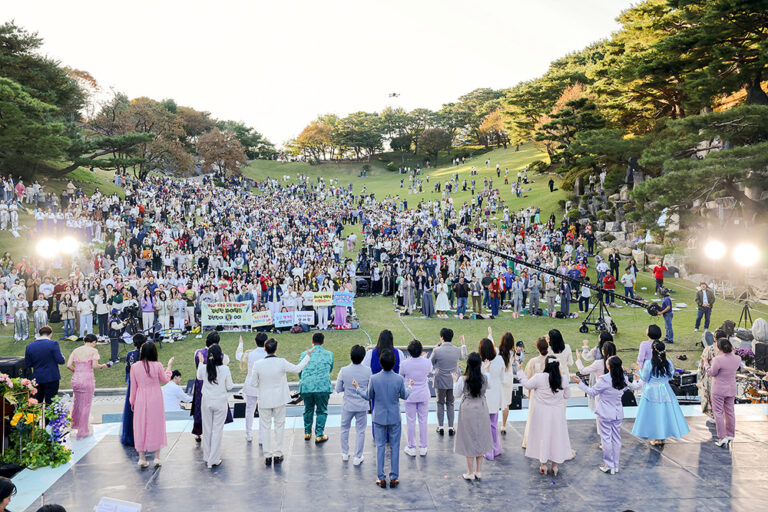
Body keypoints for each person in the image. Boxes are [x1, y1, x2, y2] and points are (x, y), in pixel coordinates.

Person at [351, 349, 412, 488]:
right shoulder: (398, 379)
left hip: (378, 417)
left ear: (380, 362)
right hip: (394, 417)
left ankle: (381, 477)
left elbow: (368, 396)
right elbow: (404, 395)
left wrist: (357, 388)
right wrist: (410, 387)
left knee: (380, 447)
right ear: (394, 363)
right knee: (395, 447)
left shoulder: (374, 378)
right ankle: (394, 477)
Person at [573, 356, 641, 474]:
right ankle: (615, 465)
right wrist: (635, 379)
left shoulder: (604, 379)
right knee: (616, 439)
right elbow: (630, 388)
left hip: (605, 413)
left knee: (606, 439)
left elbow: (592, 392)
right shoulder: (623, 378)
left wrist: (580, 383)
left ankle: (608, 465)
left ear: (608, 366)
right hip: (617, 413)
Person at [249, 338, 311, 465]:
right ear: (276, 349)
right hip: (279, 399)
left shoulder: (258, 364)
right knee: (279, 425)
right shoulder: (281, 362)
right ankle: (278, 453)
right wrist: (307, 356)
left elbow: (253, 383)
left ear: (265, 349)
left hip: (264, 400)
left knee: (265, 427)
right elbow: (298, 368)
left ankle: (267, 455)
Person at [515, 356, 572, 476]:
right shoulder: (563, 379)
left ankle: (543, 464)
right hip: (557, 414)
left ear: (546, 365)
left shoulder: (539, 378)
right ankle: (555, 466)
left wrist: (520, 371)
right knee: (556, 437)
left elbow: (527, 384)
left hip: (541, 413)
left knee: (543, 437)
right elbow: (567, 395)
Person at [631, 340, 690, 446]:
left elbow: (645, 377)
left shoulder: (649, 363)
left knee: (654, 415)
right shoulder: (668, 363)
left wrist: (639, 370)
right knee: (664, 414)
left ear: (652, 350)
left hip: (651, 392)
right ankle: (661, 436)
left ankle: (657, 437)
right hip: (665, 390)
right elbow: (670, 376)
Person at [130, 342, 174, 467]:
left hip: (140, 397)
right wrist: (169, 367)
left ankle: (142, 458)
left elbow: (133, 387)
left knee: (140, 425)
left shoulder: (134, 367)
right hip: (155, 397)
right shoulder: (158, 365)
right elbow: (165, 380)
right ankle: (157, 457)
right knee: (156, 424)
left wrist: (132, 401)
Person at [452, 352, 493, 480]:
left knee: (468, 439)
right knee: (480, 437)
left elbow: (456, 393)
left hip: (468, 409)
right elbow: (490, 385)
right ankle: (478, 471)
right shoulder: (485, 378)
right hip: (481, 408)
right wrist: (487, 370)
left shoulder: (463, 379)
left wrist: (454, 381)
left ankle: (470, 472)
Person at [191, 332, 233, 441]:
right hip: (216, 385)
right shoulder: (223, 356)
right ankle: (215, 435)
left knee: (200, 409)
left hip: (201, 384)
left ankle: (198, 433)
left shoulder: (198, 353)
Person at [197, 343, 234, 468]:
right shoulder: (225, 369)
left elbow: (199, 377)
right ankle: (213, 459)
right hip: (220, 401)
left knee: (207, 429)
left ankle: (207, 457)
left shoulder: (203, 368)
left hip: (207, 401)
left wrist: (201, 363)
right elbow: (229, 386)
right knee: (217, 430)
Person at [336, 345, 371, 465]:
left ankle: (345, 453)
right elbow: (370, 389)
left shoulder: (344, 370)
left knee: (344, 428)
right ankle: (358, 456)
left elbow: (338, 388)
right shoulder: (368, 371)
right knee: (360, 431)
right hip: (361, 405)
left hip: (348, 405)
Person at [702, 337, 741, 447]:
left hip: (718, 389)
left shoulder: (718, 359)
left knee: (718, 413)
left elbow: (712, 372)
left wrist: (706, 362)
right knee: (730, 412)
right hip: (731, 388)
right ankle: (730, 434)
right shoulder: (737, 358)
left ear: (719, 348)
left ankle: (722, 437)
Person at [67, 333, 107, 439]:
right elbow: (94, 366)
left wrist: (77, 371)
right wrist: (102, 366)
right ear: (93, 342)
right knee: (86, 404)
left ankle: (75, 425)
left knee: (77, 402)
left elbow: (68, 365)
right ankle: (83, 430)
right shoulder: (93, 351)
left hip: (76, 379)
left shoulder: (76, 350)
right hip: (87, 379)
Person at [576, 341, 616, 439]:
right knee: (612, 415)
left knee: (601, 417)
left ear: (603, 351)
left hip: (601, 393)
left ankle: (605, 439)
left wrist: (578, 359)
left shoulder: (599, 363)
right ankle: (611, 437)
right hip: (613, 392)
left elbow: (583, 370)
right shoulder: (617, 361)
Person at [430, 328, 467, 435]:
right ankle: (451, 427)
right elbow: (464, 356)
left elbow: (430, 363)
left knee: (440, 403)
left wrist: (435, 349)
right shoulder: (456, 350)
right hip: (452, 380)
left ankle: (440, 426)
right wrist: (463, 344)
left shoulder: (437, 350)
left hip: (440, 380)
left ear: (442, 338)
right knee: (450, 403)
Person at [299, 332, 334, 443]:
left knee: (308, 409)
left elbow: (300, 370)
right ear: (323, 342)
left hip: (306, 386)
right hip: (322, 387)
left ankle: (307, 432)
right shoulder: (329, 354)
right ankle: (319, 434)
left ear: (312, 341)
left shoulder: (305, 354)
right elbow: (329, 369)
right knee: (322, 410)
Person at [399, 339, 433, 456]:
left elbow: (401, 376)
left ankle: (412, 447)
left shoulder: (404, 364)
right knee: (423, 421)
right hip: (423, 394)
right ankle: (423, 447)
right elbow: (428, 370)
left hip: (410, 395)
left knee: (411, 421)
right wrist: (423, 359)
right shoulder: (427, 362)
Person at [235, 333, 268, 442]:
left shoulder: (250, 354)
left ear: (255, 342)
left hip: (251, 384)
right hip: (264, 385)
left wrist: (241, 344)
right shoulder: (268, 355)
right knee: (263, 411)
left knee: (249, 409)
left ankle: (249, 434)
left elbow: (238, 355)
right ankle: (261, 437)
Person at [24, 325, 65, 404]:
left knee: (36, 402)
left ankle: (35, 416)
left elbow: (28, 364)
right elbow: (61, 361)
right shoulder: (53, 344)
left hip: (37, 378)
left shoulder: (29, 346)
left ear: (39, 334)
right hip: (52, 377)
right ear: (50, 334)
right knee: (51, 403)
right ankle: (48, 417)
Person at [479, 333, 504, 460]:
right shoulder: (499, 359)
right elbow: (502, 377)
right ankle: (496, 448)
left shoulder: (481, 363)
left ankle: (489, 450)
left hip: (485, 396)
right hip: (496, 394)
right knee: (493, 423)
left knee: (486, 425)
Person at [522, 337, 549, 449]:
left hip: (536, 393)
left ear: (537, 348)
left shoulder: (533, 361)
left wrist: (528, 391)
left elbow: (527, 378)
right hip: (548, 393)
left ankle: (533, 441)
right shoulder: (552, 360)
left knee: (534, 417)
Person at [120, 333, 146, 447]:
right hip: (144, 384)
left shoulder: (130, 354)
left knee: (131, 409)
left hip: (133, 384)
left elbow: (127, 369)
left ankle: (130, 435)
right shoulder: (147, 354)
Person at [697, 329, 723, 424]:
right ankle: (720, 414)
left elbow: (702, 364)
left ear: (714, 338)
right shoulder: (728, 349)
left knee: (710, 396)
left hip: (710, 376)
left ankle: (713, 416)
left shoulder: (708, 349)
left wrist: (700, 376)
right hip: (723, 377)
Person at [498, 332, 517, 435]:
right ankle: (503, 425)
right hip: (508, 378)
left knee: (496, 403)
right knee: (506, 404)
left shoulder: (498, 351)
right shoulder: (512, 352)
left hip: (499, 377)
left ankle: (493, 422)